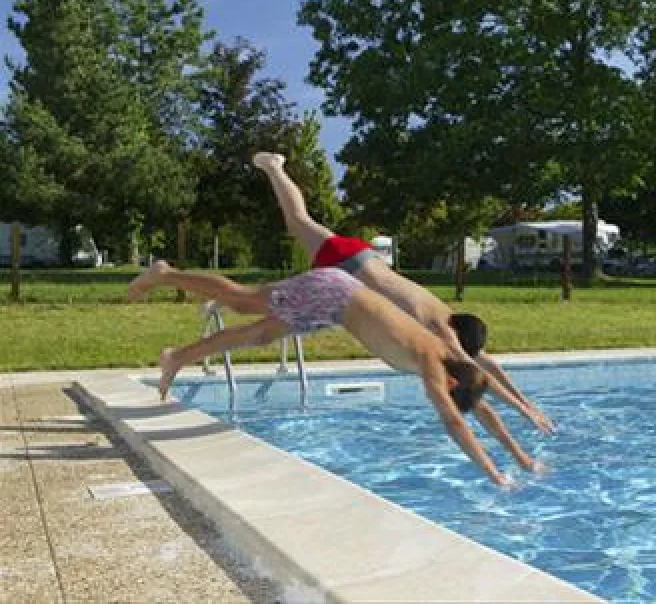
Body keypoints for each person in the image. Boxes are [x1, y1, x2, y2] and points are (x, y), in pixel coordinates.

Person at [127, 261, 542, 486]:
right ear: (450, 384)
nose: (441, 398)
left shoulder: (459, 362)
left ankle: (176, 358)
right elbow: (454, 421)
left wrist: (519, 456)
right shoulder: (435, 364)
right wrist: (493, 472)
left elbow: (480, 405)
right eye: (447, 394)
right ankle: (165, 274)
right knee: (243, 301)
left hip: (333, 306)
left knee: (256, 334)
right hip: (333, 293)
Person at [251, 151, 555, 434]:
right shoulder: (442, 330)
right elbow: (478, 372)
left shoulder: (445, 314)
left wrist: (528, 405)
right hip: (346, 265)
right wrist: (524, 412)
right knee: (298, 221)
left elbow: (488, 363)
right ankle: (274, 166)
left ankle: (275, 168)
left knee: (301, 222)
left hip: (364, 260)